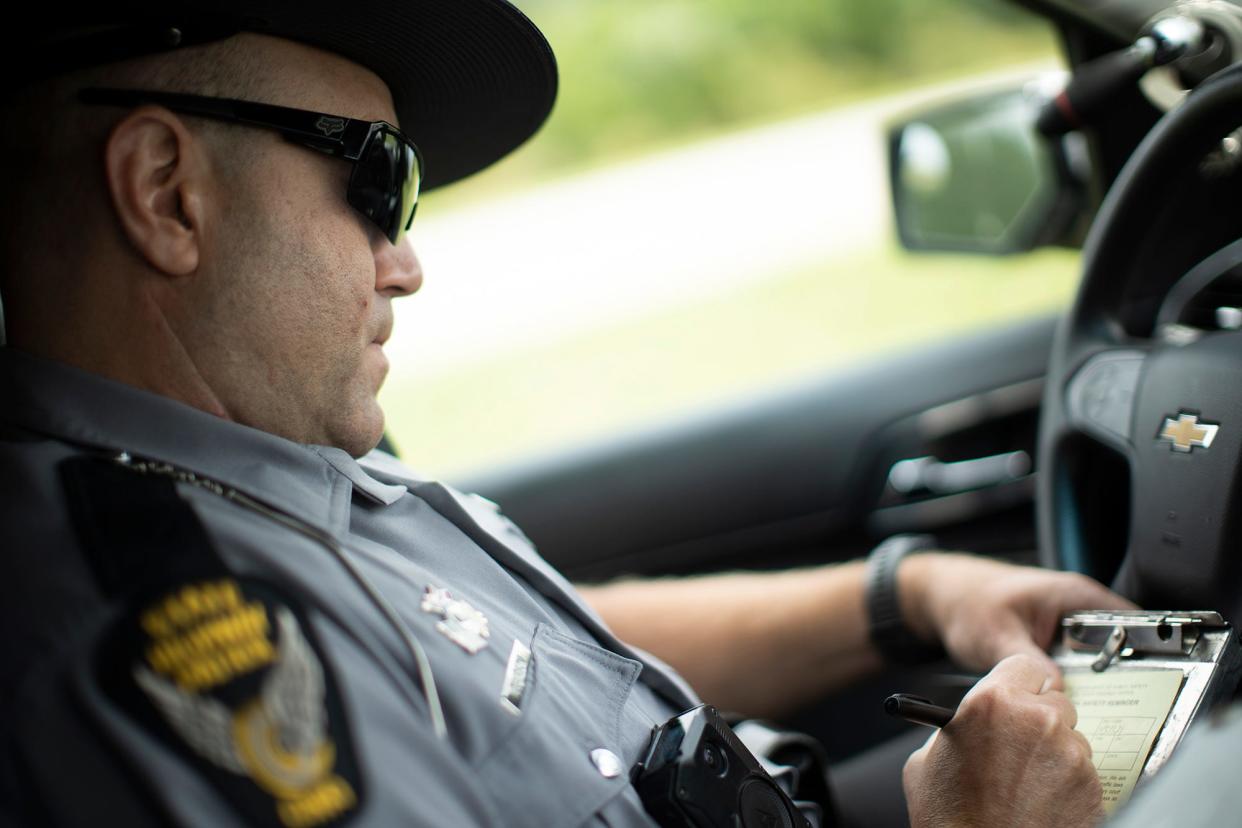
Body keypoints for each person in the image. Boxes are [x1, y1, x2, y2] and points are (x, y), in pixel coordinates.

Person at [0, 2, 1130, 826]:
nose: (405, 265)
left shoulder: (263, 465)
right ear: (165, 192)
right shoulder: (157, 631)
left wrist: (909, 592)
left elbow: (512, 651)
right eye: (376, 184)